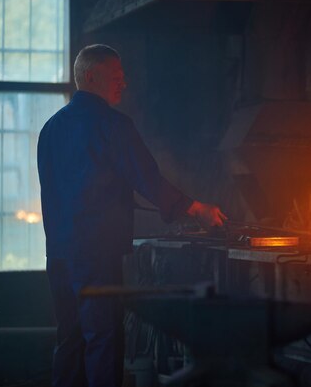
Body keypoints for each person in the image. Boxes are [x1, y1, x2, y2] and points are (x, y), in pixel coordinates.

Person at [38, 44, 227, 387]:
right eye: (116, 77)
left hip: (59, 256)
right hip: (96, 256)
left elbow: (67, 190)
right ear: (90, 76)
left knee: (70, 339)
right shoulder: (113, 125)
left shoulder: (50, 129)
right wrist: (196, 208)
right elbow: (147, 178)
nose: (123, 84)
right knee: (104, 339)